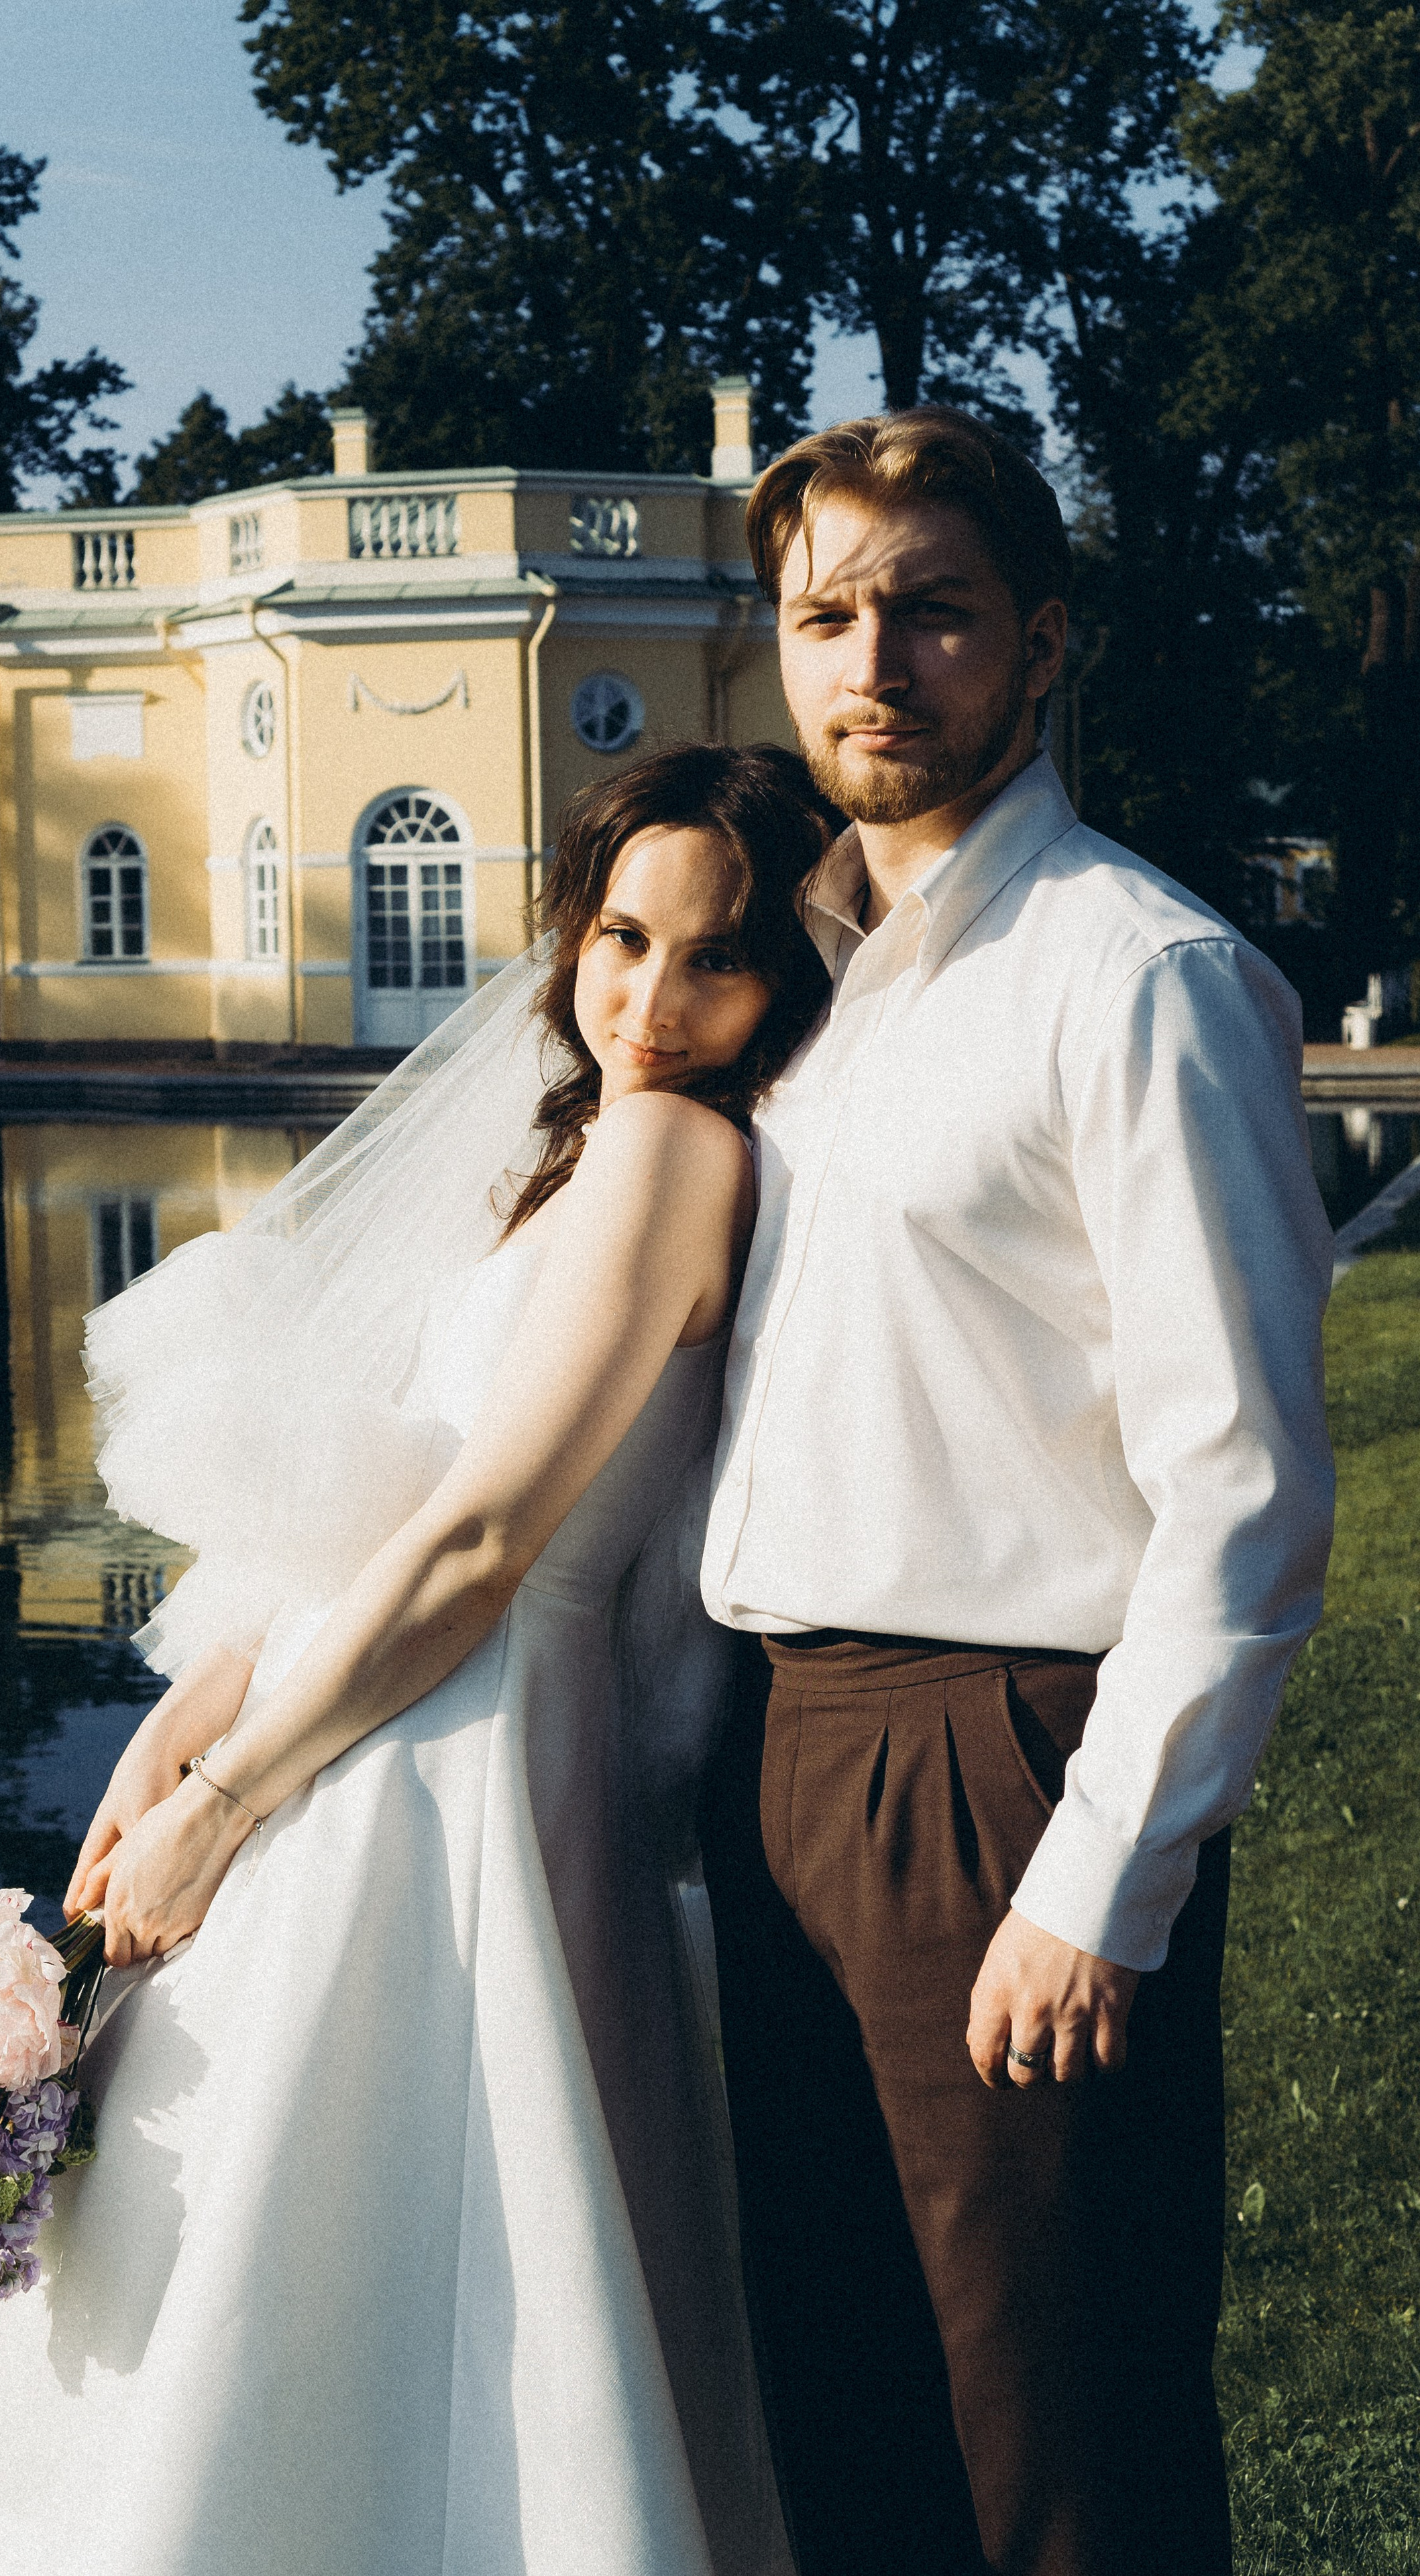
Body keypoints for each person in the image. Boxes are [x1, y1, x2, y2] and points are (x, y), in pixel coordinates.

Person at [0, 743, 836, 2576]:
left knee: (363, 2250)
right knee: (266, 2235)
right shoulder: (576, 1149)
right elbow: (387, 1489)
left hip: (455, 1752)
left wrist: (226, 1801)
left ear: (782, 982)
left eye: (717, 960)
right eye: (624, 936)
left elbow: (483, 1547)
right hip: (370, 1704)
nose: (649, 998)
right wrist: (189, 1710)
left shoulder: (671, 1149)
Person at [697, 407, 1335, 2576]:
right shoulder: (816, 978)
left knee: (1052, 2437)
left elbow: (1242, 1490)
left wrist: (1099, 1879)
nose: (876, 660)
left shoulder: (1133, 980)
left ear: (1041, 644)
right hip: (785, 1750)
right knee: (848, 2409)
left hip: (998, 1762)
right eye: (827, 614)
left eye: (935, 611)